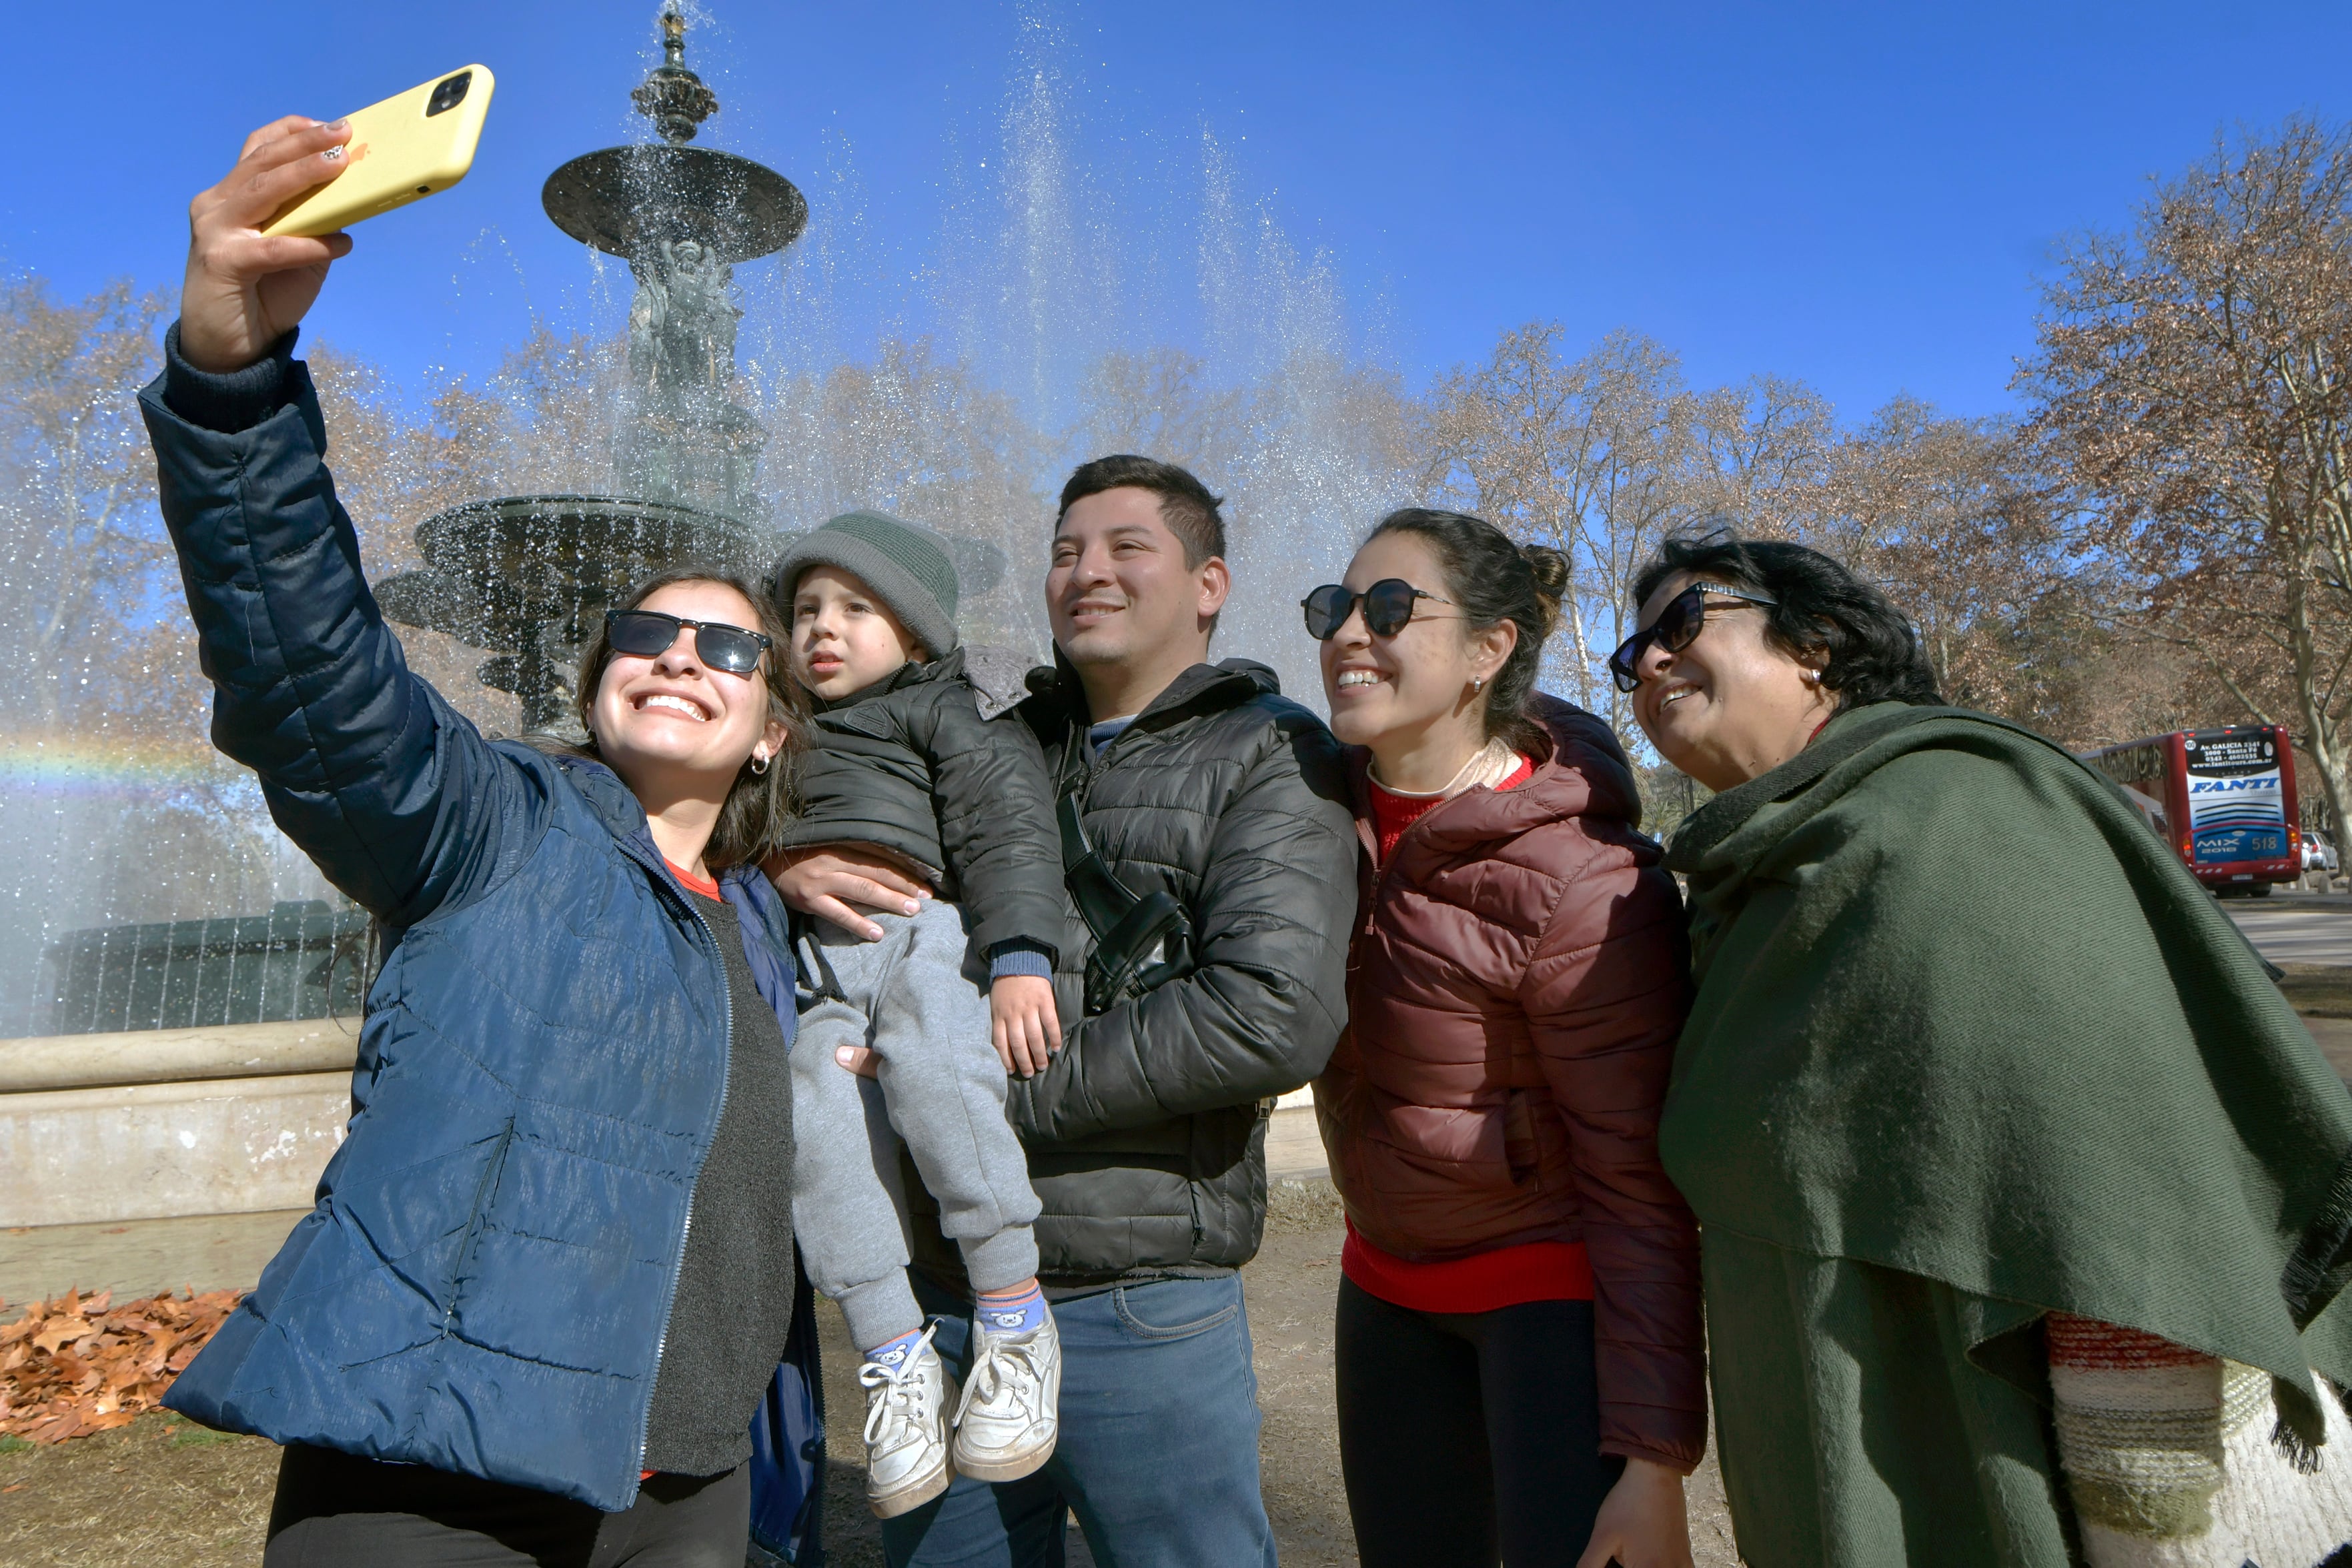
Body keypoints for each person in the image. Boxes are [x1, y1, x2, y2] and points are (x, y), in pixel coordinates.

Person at [145, 117, 818, 1565]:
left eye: (727, 645)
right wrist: (232, 393)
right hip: (439, 1473)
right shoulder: (492, 826)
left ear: (772, 727)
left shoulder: (762, 919)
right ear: (589, 682)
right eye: (642, 632)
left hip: (688, 1482)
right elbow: (312, 680)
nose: (678, 655)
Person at [1620, 528, 2352, 1567]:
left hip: (1991, 1455)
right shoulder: (1744, 887)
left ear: (1816, 641)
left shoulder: (1961, 817)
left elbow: (2119, 1162)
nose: (1647, 664)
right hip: (1837, 1439)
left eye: (1682, 624)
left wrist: (2140, 1476)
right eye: (1628, 656)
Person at [774, 456, 1359, 1567]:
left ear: (1208, 584)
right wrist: (782, 869)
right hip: (942, 1294)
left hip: (1131, 1299)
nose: (1087, 571)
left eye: (1127, 547)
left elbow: (1264, 1016)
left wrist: (960, 1096)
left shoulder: (1271, 754)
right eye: (1064, 551)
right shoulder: (986, 727)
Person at [1307, 508, 1705, 1568]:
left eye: (1389, 608)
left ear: (1490, 648)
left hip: (1542, 1308)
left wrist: (1651, 1461)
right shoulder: (1303, 809)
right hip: (1380, 1284)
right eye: (1333, 607)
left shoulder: (1582, 876)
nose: (1349, 632)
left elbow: (1635, 1178)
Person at [766, 512, 1069, 1517]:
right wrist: (776, 865)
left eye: (856, 607)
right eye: (807, 609)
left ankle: (1013, 1314)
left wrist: (1022, 959)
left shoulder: (950, 704)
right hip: (817, 966)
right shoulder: (770, 726)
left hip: (923, 932)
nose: (823, 628)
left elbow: (1006, 828)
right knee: (811, 1112)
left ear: (917, 633)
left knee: (939, 1065)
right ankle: (896, 1359)